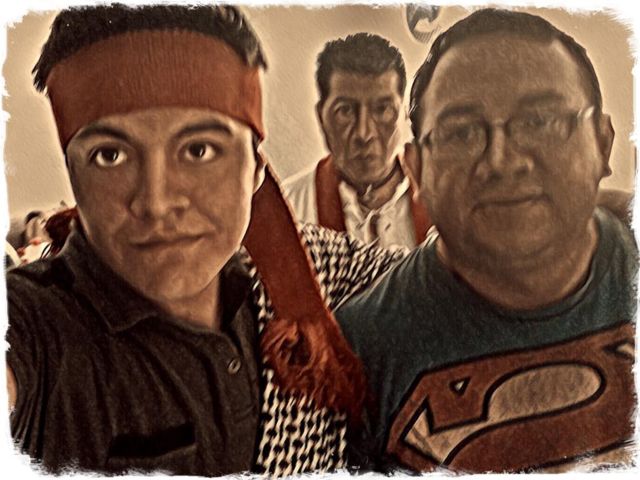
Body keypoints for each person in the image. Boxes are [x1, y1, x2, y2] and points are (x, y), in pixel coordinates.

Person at [4, 5, 404, 476]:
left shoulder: (319, 274)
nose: (156, 202)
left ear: (256, 169)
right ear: (73, 173)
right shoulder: (36, 323)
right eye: (110, 155)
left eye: (198, 150)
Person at [337, 8, 636, 473]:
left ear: (602, 142)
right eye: (461, 132)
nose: (502, 161)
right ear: (416, 169)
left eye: (541, 121)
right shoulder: (354, 354)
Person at [283, 33, 431, 249]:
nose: (364, 134)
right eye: (345, 111)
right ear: (321, 116)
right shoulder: (287, 212)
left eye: (383, 109)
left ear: (406, 113)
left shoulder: (446, 197)